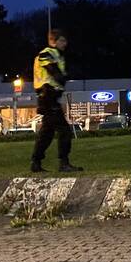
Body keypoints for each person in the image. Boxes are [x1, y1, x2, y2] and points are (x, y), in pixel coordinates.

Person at [30, 29, 82, 173]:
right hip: (48, 96)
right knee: (64, 130)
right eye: (62, 40)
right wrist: (63, 76)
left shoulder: (58, 56)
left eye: (65, 40)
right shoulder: (47, 53)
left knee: (47, 132)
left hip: (49, 97)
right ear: (53, 41)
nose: (65, 43)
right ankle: (63, 163)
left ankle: (36, 162)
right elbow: (54, 72)